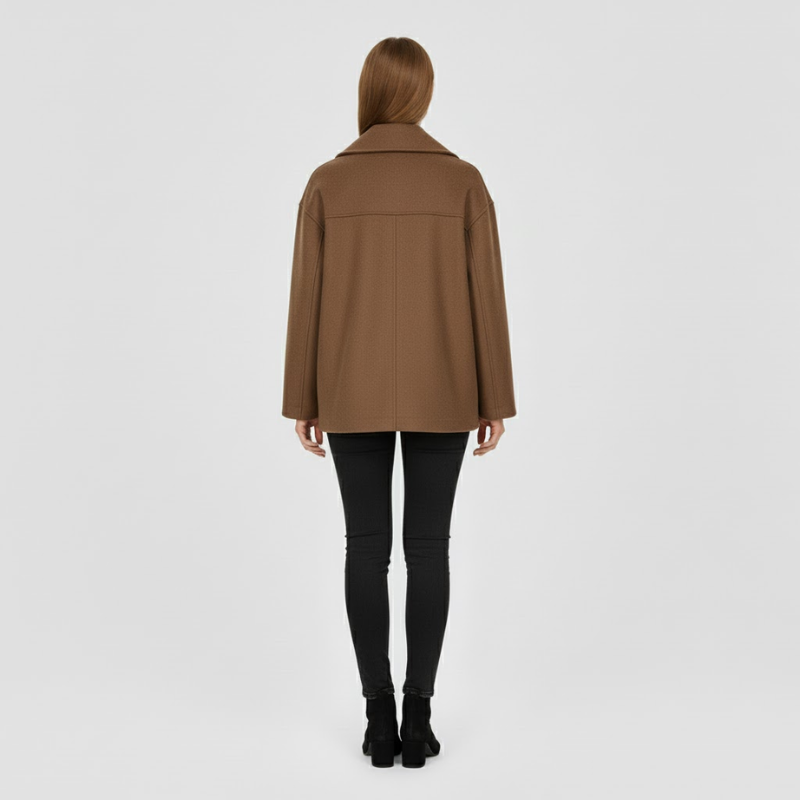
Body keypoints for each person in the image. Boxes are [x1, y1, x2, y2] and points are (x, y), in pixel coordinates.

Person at [281, 36, 517, 768]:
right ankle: (419, 718)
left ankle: (377, 719)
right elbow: (486, 297)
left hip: (348, 389)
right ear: (422, 93)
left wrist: (303, 397)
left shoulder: (327, 184)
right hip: (446, 386)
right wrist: (494, 396)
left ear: (370, 90)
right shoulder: (463, 183)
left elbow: (306, 299)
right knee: (427, 549)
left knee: (365, 547)